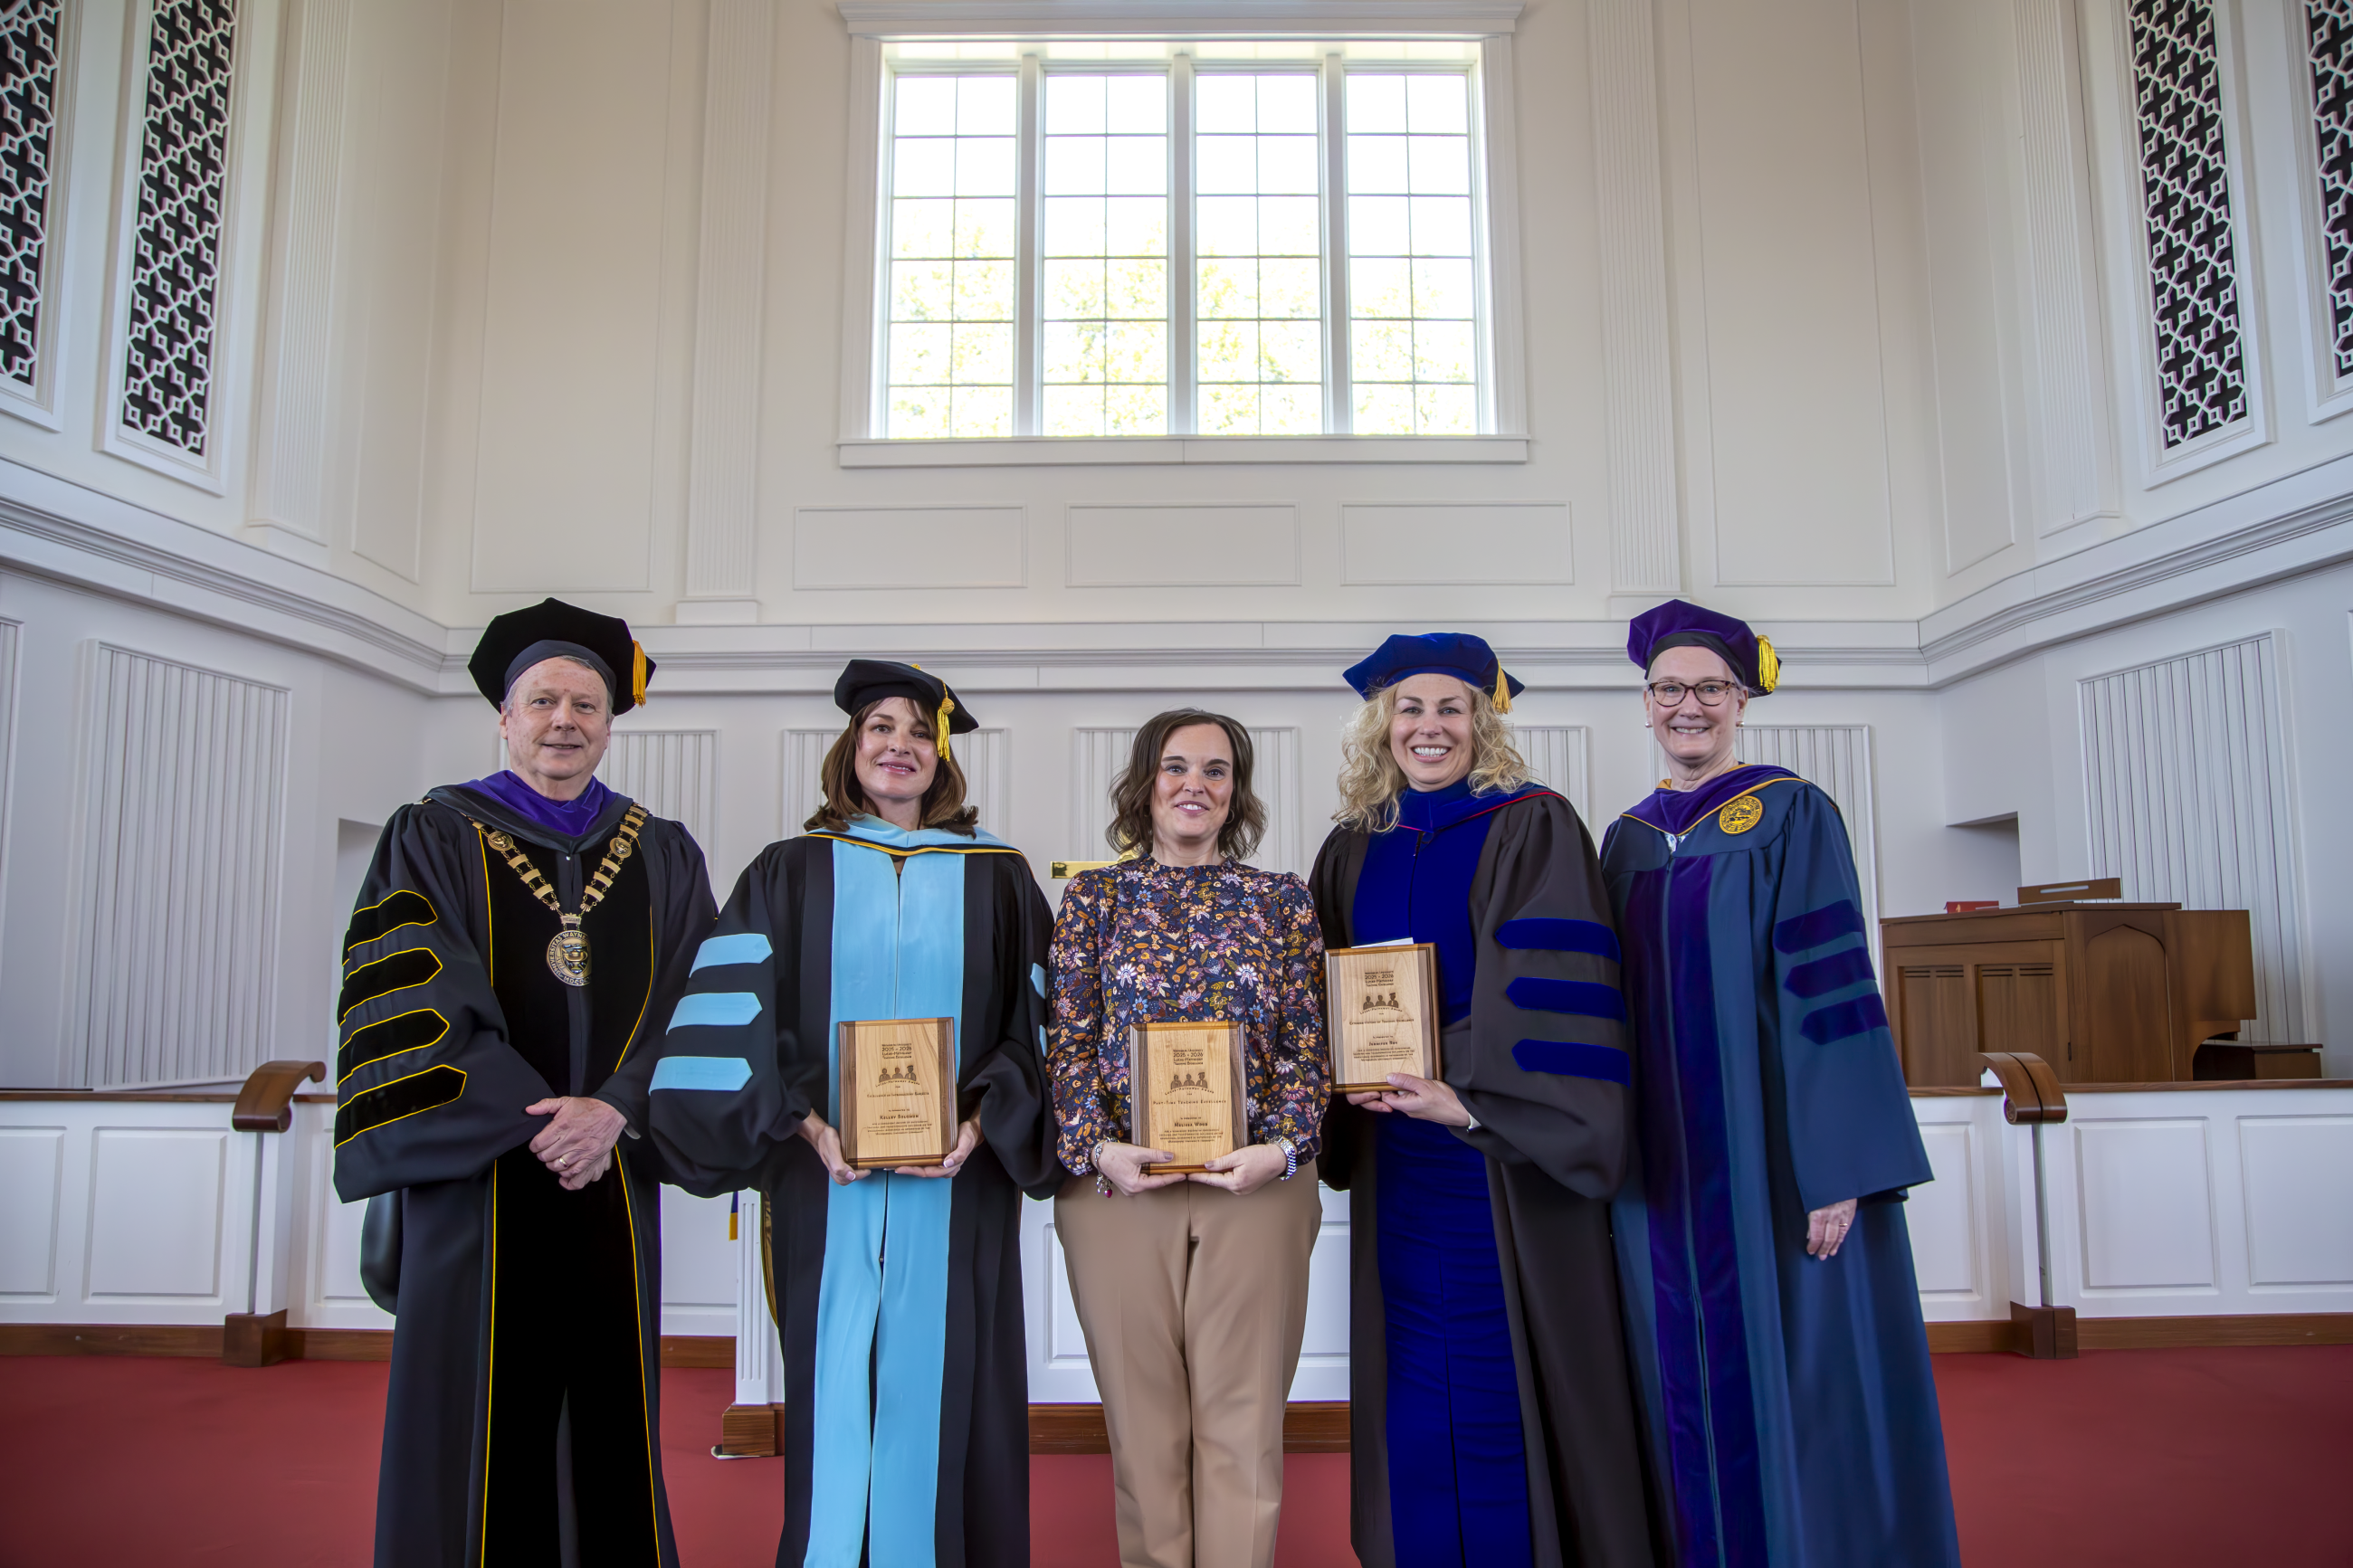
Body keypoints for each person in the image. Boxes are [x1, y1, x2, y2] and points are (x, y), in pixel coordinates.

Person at [645, 660, 1058, 1568]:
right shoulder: (787, 870)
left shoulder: (997, 874)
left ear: (941, 754)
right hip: (821, 1177)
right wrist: (807, 1122)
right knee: (833, 1383)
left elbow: (1037, 1030)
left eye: (917, 729)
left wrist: (980, 1123)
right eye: (879, 726)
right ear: (851, 746)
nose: (898, 744)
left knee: (951, 1384)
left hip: (957, 1182)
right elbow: (738, 1015)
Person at [332, 597, 717, 1568]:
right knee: (474, 1407)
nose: (564, 720)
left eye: (586, 703)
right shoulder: (433, 832)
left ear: (609, 720)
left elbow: (699, 1000)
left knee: (609, 1403)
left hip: (611, 1178)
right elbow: (411, 992)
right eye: (542, 699)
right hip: (482, 1179)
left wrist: (617, 1108)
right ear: (504, 717)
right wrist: (540, 1117)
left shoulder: (663, 851)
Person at [1602, 599, 1959, 1568]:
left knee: (1791, 1369)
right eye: (1669, 688)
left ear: (1740, 700)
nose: (1689, 706)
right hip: (1656, 1173)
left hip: (1767, 1161)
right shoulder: (1625, 840)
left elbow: (1832, 990)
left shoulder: (1789, 811)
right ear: (1643, 705)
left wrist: (1835, 1163)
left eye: (1709, 688)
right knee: (1668, 1366)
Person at [1306, 633, 1659, 1568]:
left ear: (1481, 720)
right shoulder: (1351, 843)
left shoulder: (1529, 822)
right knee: (1414, 1366)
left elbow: (1552, 991)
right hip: (1392, 1150)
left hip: (1494, 1144)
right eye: (1410, 709)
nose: (1429, 727)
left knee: (1499, 1363)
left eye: (1450, 708)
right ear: (1383, 725)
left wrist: (1458, 1093)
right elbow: (1319, 994)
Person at [1046, 710, 1329, 1568]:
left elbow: (1310, 1044)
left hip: (1257, 1188)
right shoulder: (1094, 897)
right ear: (1145, 783)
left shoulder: (1280, 898)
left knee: (1244, 1427)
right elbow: (1064, 1040)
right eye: (1175, 767)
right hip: (1119, 1190)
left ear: (1236, 789)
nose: (1194, 784)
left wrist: (1281, 1148)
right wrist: (1098, 1148)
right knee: (1144, 1428)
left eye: (1215, 769)